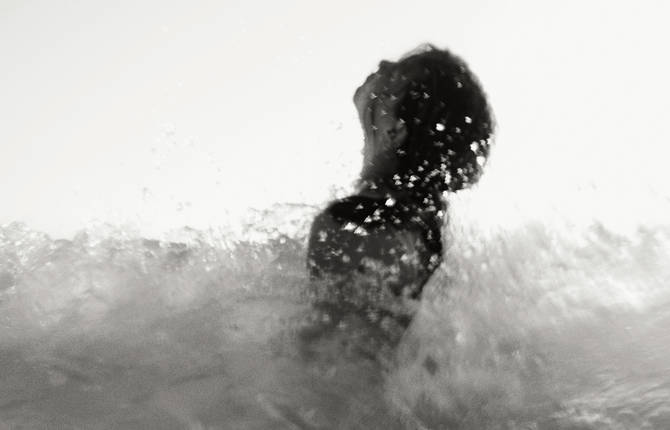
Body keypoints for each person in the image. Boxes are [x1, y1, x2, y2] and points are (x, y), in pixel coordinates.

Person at [302, 44, 494, 358]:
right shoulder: (423, 229)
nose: (383, 62)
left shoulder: (356, 225)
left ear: (395, 130)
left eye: (398, 73)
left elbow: (339, 363)